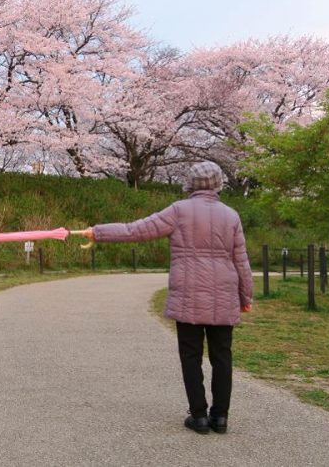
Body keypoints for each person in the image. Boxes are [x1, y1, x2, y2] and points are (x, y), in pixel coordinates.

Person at [78, 161, 253, 435]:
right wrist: (246, 296)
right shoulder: (231, 215)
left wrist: (98, 232)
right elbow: (241, 260)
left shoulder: (179, 211)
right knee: (222, 356)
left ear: (190, 184)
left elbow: (135, 230)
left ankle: (199, 416)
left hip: (188, 294)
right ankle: (220, 417)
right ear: (219, 183)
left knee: (191, 356)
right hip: (224, 294)